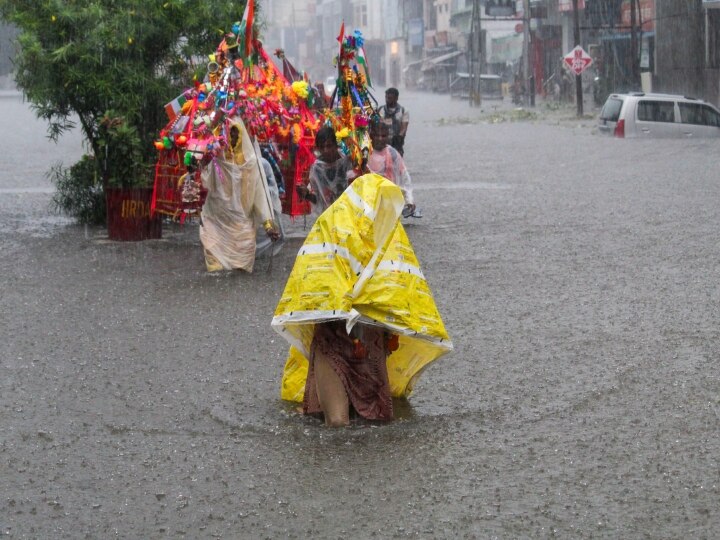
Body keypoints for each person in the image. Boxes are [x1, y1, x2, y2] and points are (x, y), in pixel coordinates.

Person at [272, 174, 453, 427]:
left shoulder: (390, 238)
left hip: (370, 343)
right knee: (337, 423)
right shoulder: (334, 228)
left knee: (373, 421)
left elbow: (401, 291)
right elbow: (316, 282)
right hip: (333, 340)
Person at [199, 119, 279, 272]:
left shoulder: (251, 163)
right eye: (230, 132)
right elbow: (206, 182)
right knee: (215, 272)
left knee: (240, 273)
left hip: (242, 229)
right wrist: (204, 161)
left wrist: (268, 226)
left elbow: (259, 196)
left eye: (236, 132)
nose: (233, 136)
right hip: (216, 224)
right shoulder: (216, 159)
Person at [296, 125, 356, 215]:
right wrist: (306, 194)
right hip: (329, 217)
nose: (325, 150)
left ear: (336, 145)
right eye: (322, 147)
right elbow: (319, 200)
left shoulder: (347, 161)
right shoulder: (317, 169)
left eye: (329, 146)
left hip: (350, 213)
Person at [367, 120, 416, 217]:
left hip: (389, 202)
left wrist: (409, 200)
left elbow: (405, 177)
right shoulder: (364, 153)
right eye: (377, 135)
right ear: (371, 135)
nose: (380, 139)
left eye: (383, 136)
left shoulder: (392, 154)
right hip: (369, 201)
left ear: (388, 136)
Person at [377, 87, 409, 156]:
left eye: (390, 98)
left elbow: (404, 127)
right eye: (386, 98)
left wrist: (399, 137)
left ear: (396, 98)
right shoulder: (380, 110)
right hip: (382, 145)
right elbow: (376, 126)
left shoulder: (403, 111)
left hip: (397, 144)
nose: (387, 100)